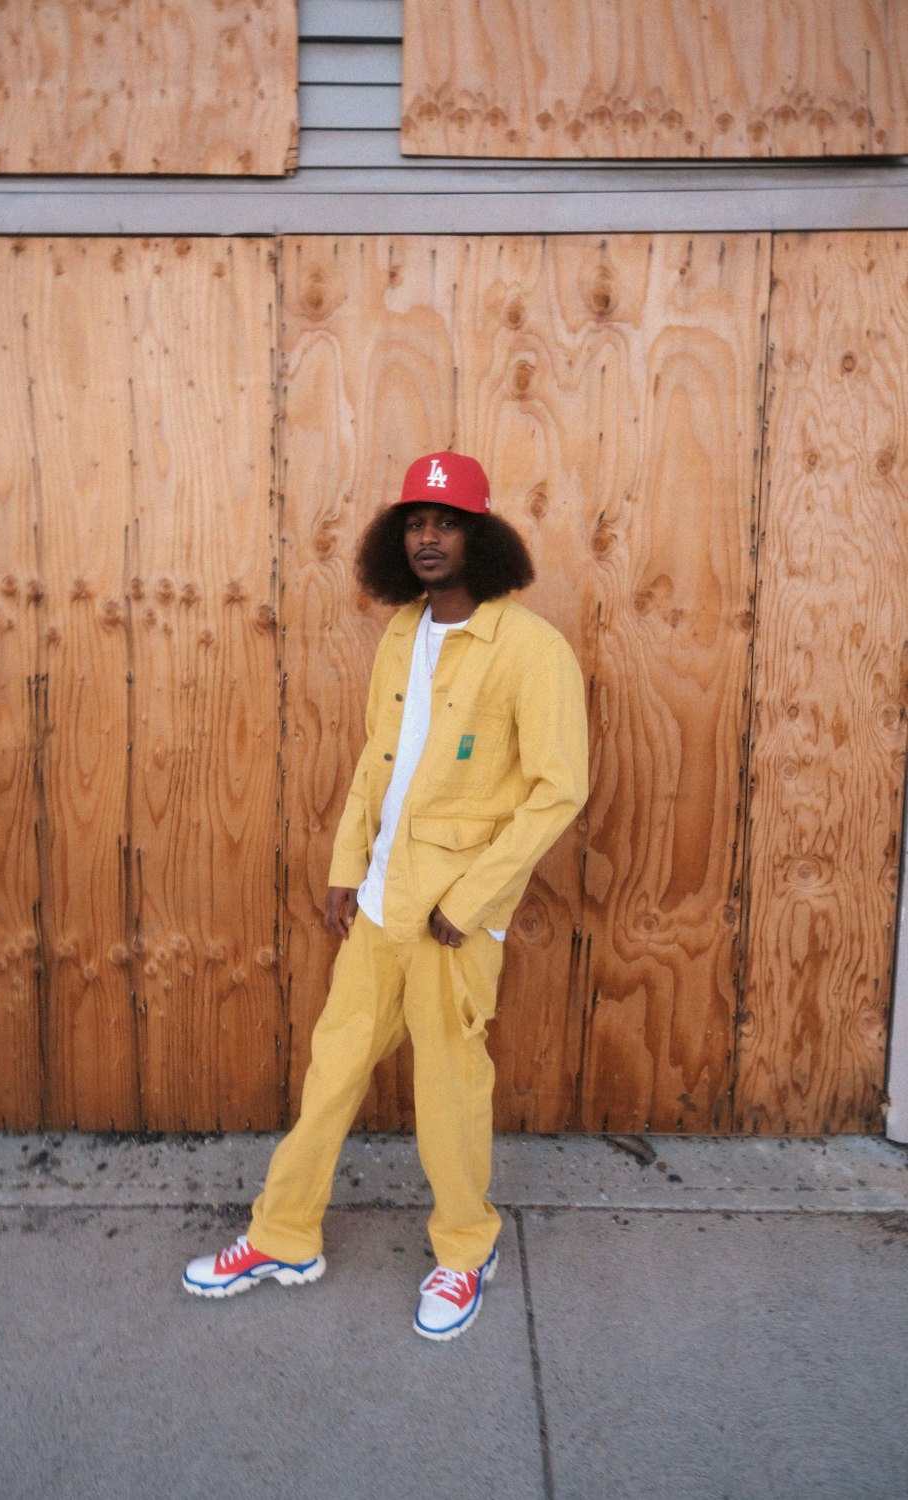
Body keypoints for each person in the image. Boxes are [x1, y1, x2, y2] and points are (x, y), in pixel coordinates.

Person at [183, 451, 589, 1340]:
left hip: (453, 921)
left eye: (446, 522)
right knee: (332, 1075)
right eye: (415, 522)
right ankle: (283, 1234)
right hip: (378, 905)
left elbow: (559, 790)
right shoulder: (403, 633)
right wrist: (344, 866)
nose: (428, 537)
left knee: (449, 1088)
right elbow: (380, 761)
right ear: (394, 539)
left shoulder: (529, 649)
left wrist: (475, 901)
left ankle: (465, 1251)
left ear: (481, 537)